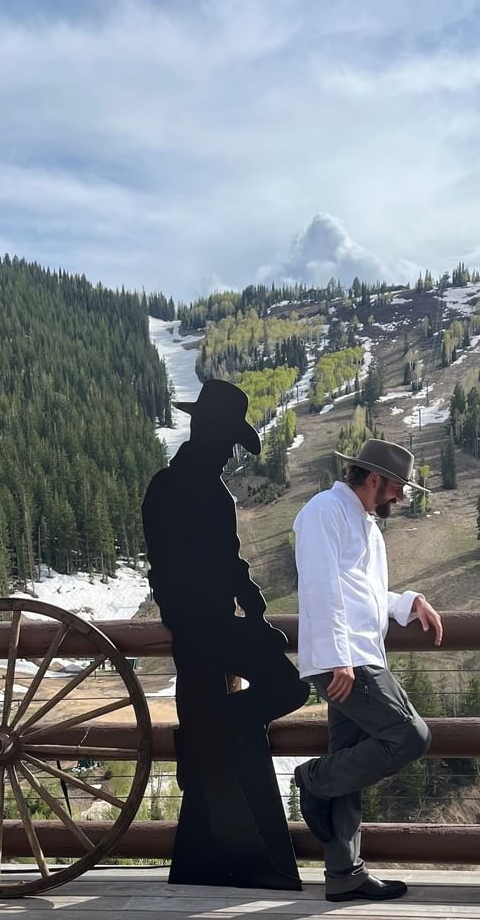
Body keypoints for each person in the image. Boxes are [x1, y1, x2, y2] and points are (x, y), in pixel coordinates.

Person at [142, 378, 309, 887]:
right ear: (209, 432)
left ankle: (208, 729)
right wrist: (248, 614)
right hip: (203, 625)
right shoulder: (199, 492)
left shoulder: (175, 488)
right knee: (288, 686)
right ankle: (212, 728)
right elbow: (207, 564)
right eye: (227, 440)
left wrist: (254, 609)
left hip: (199, 622)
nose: (229, 452)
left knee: (262, 695)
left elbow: (223, 562)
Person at [292, 438, 443, 903]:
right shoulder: (325, 510)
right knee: (409, 736)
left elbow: (364, 592)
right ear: (374, 479)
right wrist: (339, 654)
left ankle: (344, 875)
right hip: (348, 659)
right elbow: (320, 585)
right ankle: (311, 779)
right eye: (397, 487)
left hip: (357, 655)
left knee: (351, 761)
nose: (399, 497)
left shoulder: (365, 525)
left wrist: (408, 602)